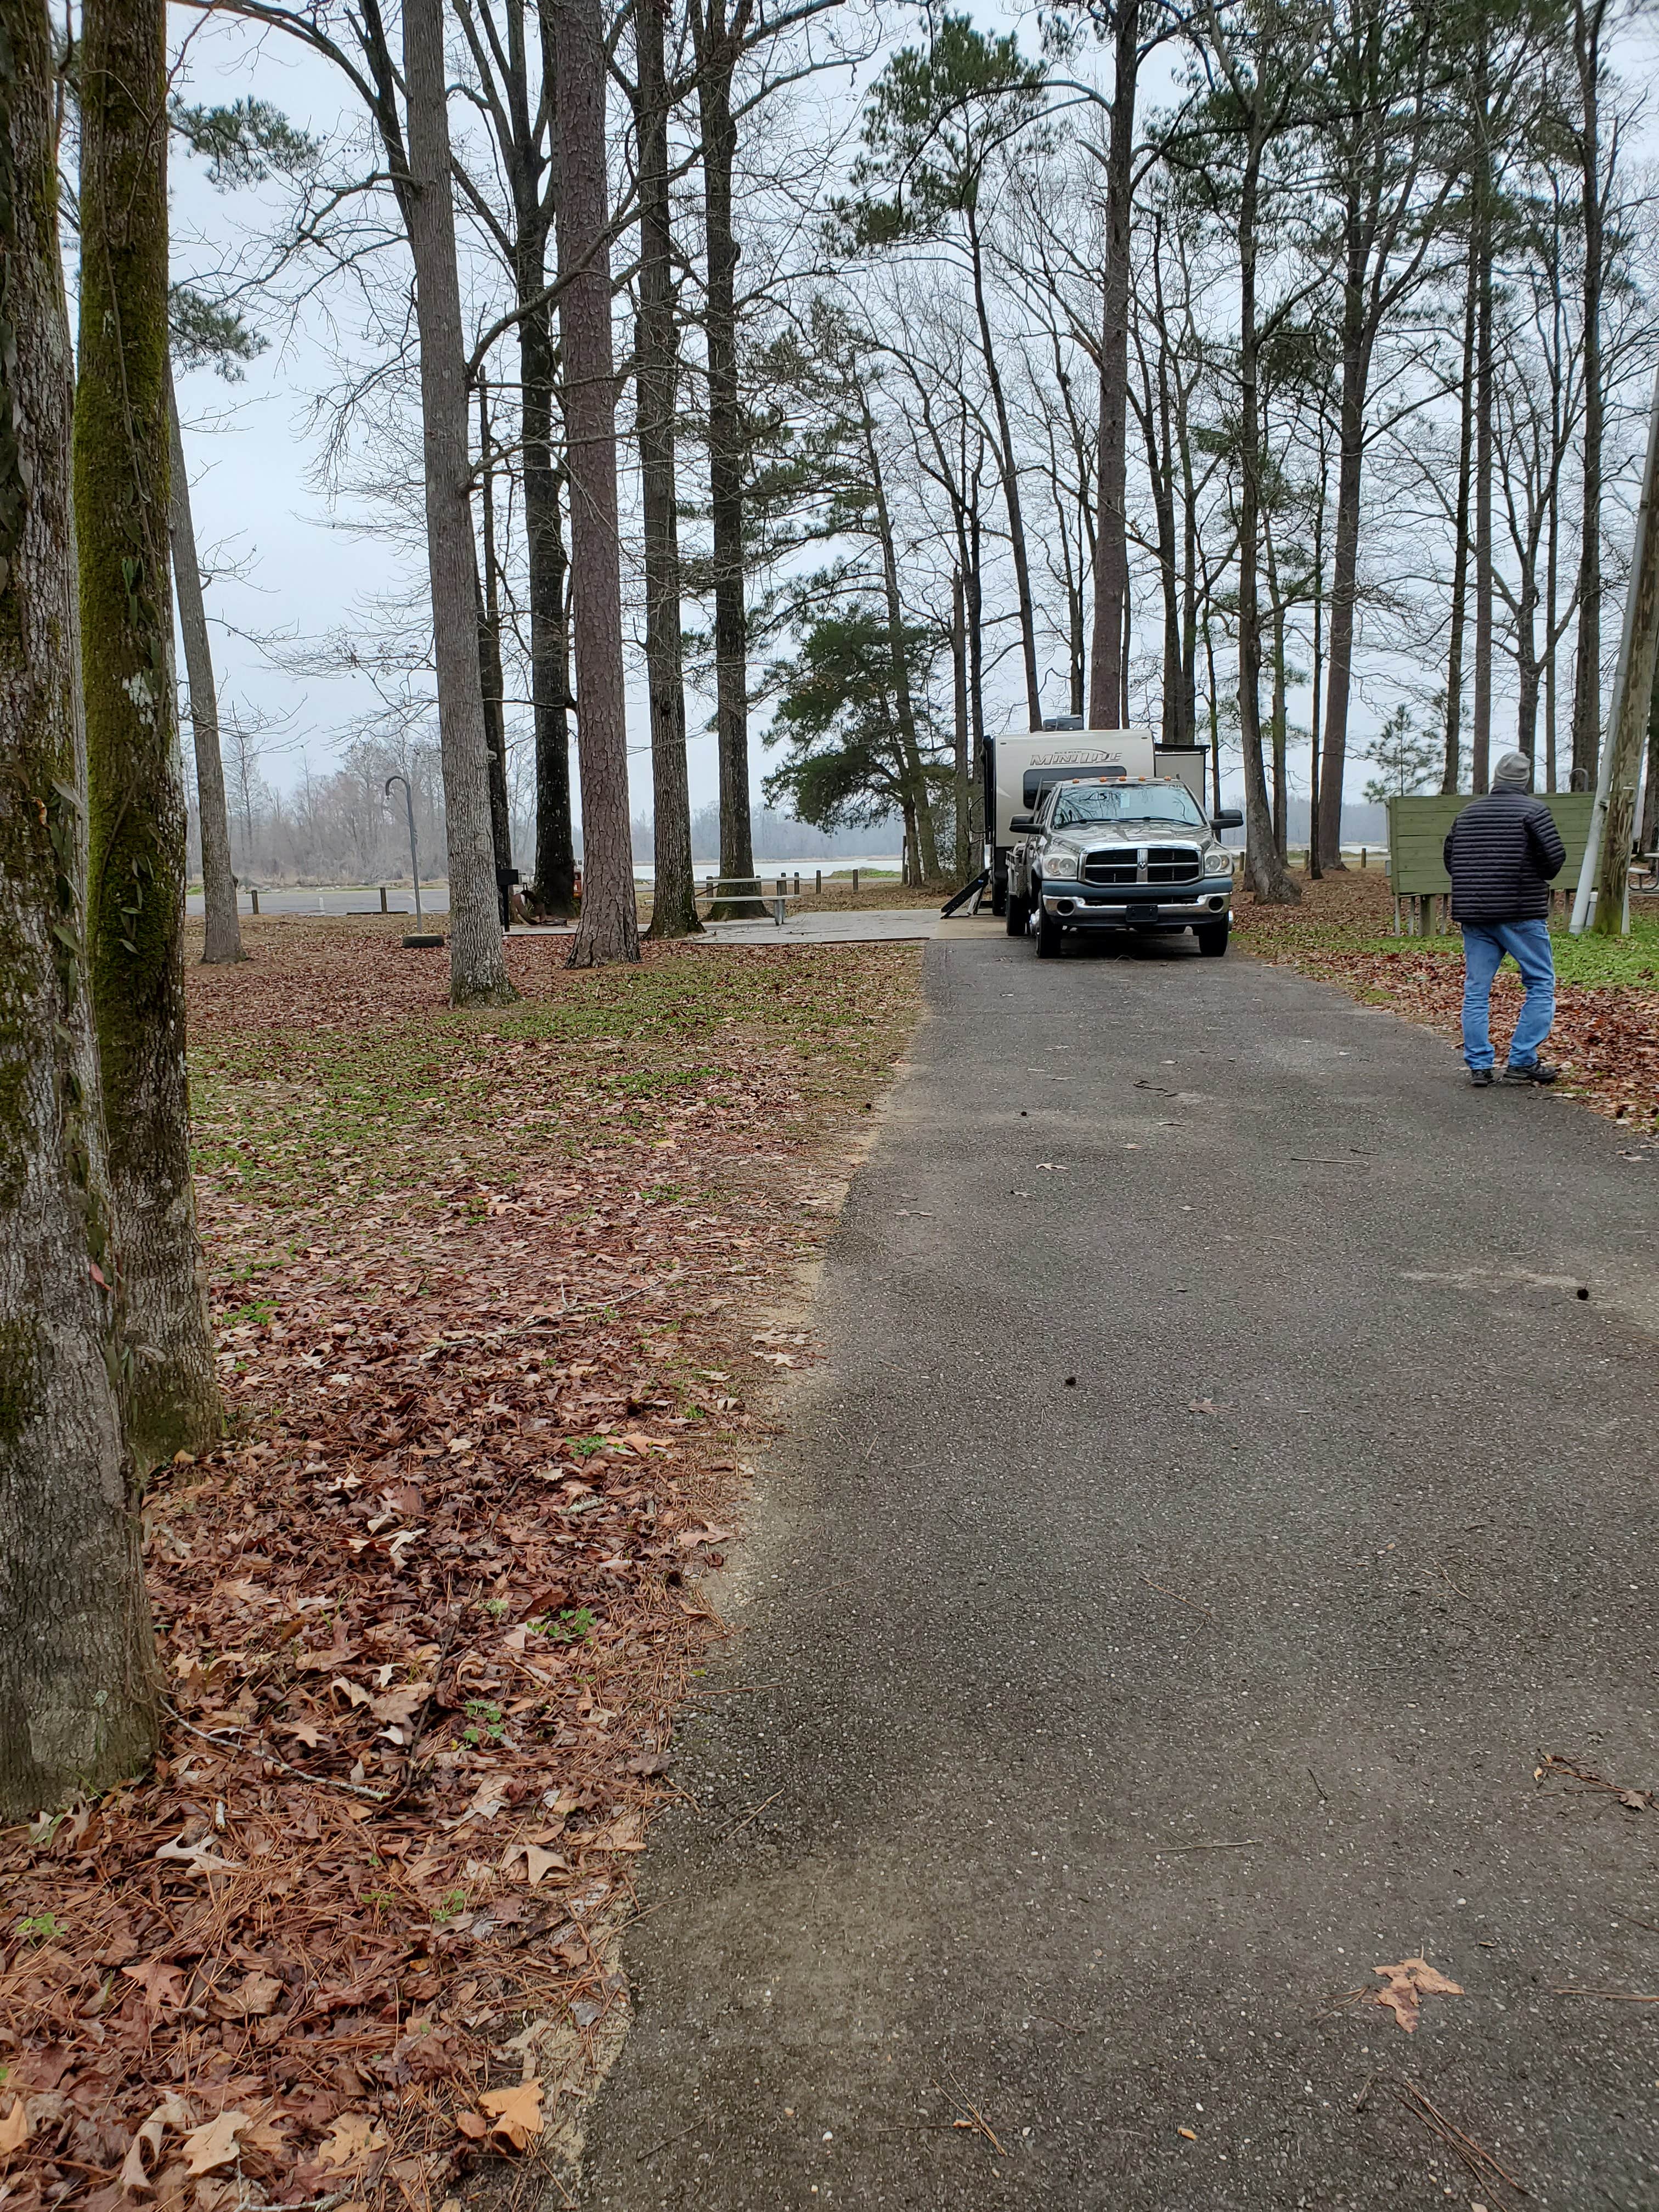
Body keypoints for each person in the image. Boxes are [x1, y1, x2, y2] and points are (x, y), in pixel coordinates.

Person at [1443, 749, 1567, 1088]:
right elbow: (1554, 862)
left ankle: (1480, 1065)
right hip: (1520, 913)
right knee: (1540, 982)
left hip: (1475, 914)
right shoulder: (1534, 812)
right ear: (1525, 780)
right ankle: (1523, 1060)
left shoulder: (1467, 814)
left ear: (1496, 778)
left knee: (1477, 989)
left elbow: (1451, 860)